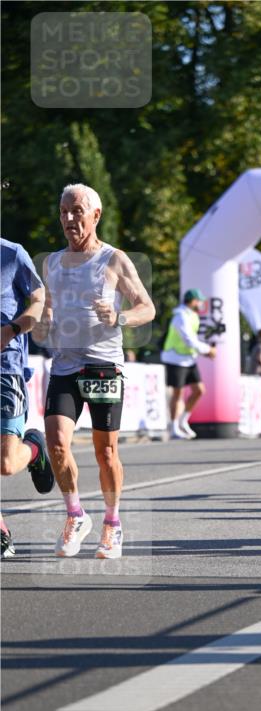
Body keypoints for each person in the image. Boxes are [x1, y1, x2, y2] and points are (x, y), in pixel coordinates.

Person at [35, 183, 155, 559]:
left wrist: (120, 316)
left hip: (103, 365)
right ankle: (75, 514)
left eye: (77, 211)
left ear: (96, 215)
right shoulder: (51, 262)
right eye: (64, 212)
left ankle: (112, 524)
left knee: (106, 453)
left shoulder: (114, 260)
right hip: (65, 364)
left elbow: (147, 308)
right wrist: (44, 321)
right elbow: (47, 310)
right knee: (55, 442)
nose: (70, 219)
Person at [1, 238, 54, 557]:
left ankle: (34, 447)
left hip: (6, 367)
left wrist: (12, 329)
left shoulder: (12, 253)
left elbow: (38, 298)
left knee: (6, 463)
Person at [161, 288, 216, 439]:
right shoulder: (180, 316)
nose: (201, 304)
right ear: (192, 301)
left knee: (199, 390)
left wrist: (205, 350)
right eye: (199, 301)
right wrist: (207, 350)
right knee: (177, 394)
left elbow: (193, 340)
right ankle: (173, 427)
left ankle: (183, 420)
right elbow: (189, 340)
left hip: (188, 359)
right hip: (175, 359)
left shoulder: (192, 315)